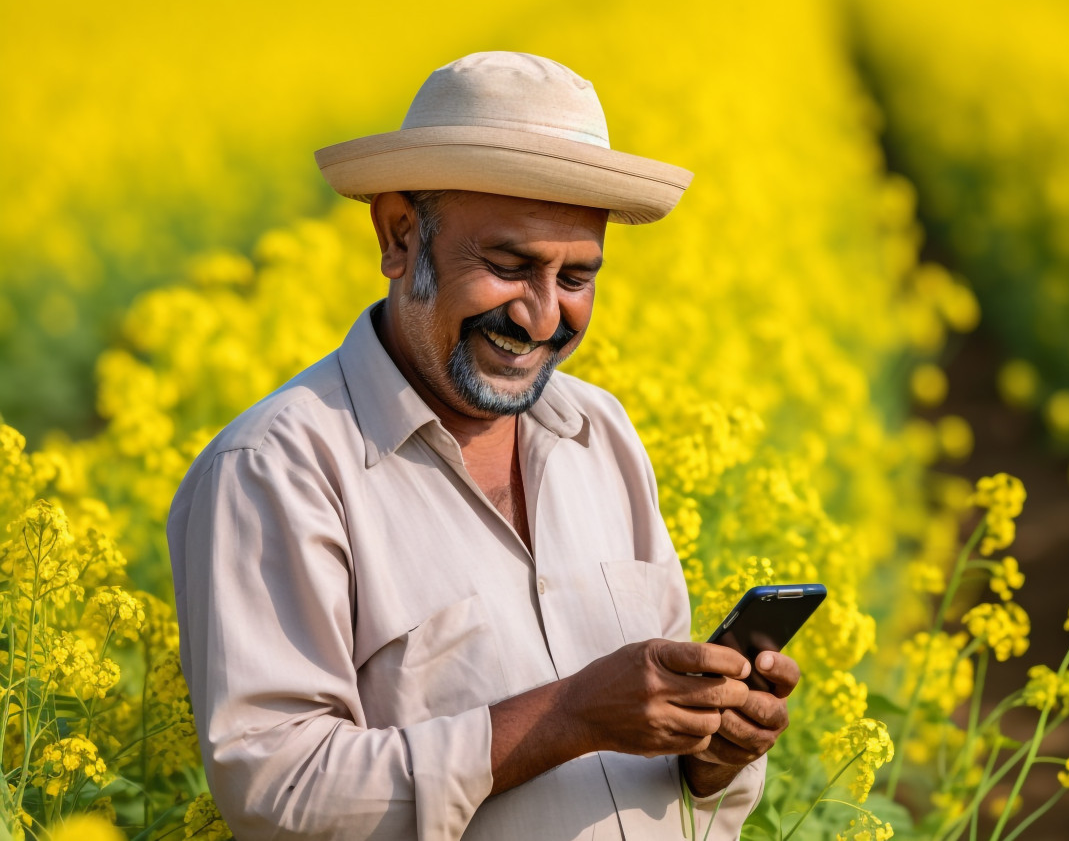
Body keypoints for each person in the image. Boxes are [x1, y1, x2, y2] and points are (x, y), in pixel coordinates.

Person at [168, 51, 800, 841]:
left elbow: (673, 781)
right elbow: (278, 790)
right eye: (508, 266)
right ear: (400, 236)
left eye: (577, 278)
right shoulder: (279, 468)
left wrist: (712, 753)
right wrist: (566, 714)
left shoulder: (601, 436)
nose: (541, 318)